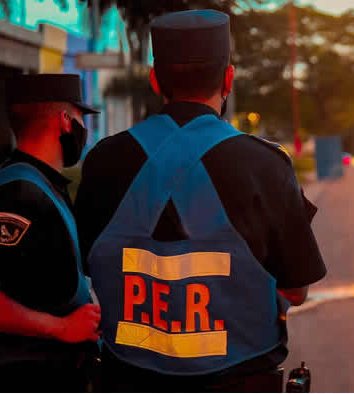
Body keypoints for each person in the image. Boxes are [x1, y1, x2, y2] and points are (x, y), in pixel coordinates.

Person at [73, 9, 327, 392]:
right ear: (228, 79)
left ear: (156, 80)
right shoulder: (266, 165)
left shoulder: (103, 160)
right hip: (241, 376)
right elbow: (295, 289)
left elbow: (87, 265)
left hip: (127, 376)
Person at [0, 74, 102, 392]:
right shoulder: (21, 194)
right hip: (23, 376)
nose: (84, 128)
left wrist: (18, 287)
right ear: (64, 121)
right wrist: (60, 326)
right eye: (81, 117)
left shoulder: (8, 180)